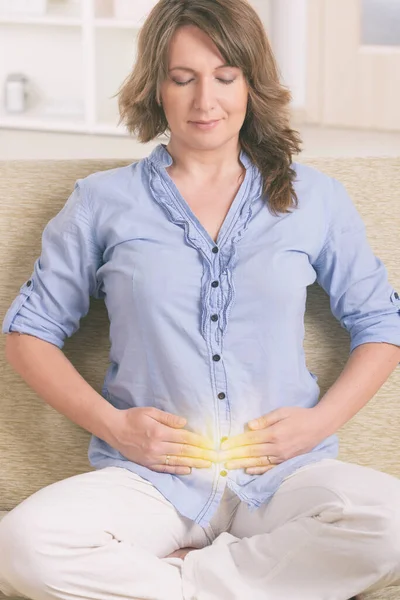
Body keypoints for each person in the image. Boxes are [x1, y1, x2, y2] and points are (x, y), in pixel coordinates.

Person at [0, 0, 400, 598]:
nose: (204, 101)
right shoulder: (100, 202)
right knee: (22, 545)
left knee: (391, 524)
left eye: (224, 77)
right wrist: (115, 425)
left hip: (285, 476)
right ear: (155, 88)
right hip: (150, 480)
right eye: (182, 79)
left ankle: (184, 582)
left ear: (251, 83)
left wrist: (319, 422)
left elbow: (381, 321)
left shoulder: (316, 199)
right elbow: (27, 333)